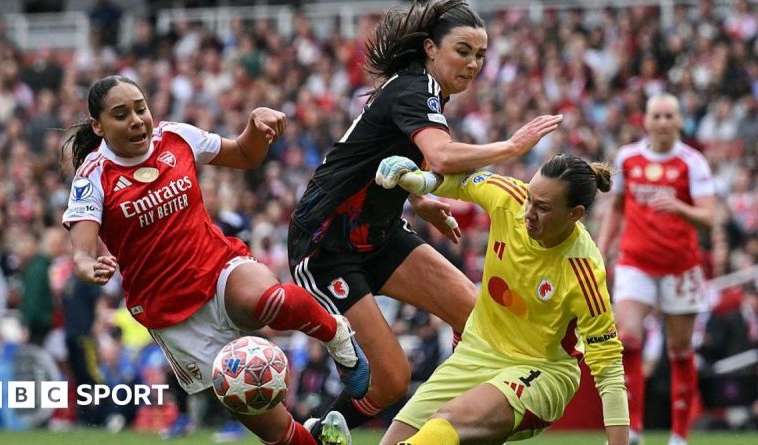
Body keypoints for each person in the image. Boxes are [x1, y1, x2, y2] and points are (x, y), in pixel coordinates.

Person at [287, 0, 562, 435]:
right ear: (430, 48)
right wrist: (512, 147)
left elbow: (387, 159)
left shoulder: (425, 91)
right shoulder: (416, 89)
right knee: (392, 378)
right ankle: (314, 433)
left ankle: (440, 425)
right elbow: (441, 155)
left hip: (378, 234)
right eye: (463, 50)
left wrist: (419, 201)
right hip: (326, 243)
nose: (473, 63)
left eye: (480, 55)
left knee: (477, 318)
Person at [61, 75, 368, 445]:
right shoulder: (92, 176)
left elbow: (243, 154)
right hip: (173, 315)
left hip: (218, 268)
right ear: (98, 126)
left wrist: (255, 126)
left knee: (269, 300)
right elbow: (81, 249)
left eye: (141, 108)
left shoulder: (175, 137)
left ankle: (339, 337)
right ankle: (315, 438)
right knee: (280, 433)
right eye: (121, 114)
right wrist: (86, 265)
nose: (137, 120)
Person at [374, 153, 629, 445]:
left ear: (575, 214)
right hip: (477, 353)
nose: (528, 212)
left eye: (542, 207)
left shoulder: (583, 271)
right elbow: (461, 181)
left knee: (442, 428)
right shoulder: (510, 198)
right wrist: (418, 180)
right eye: (530, 198)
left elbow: (609, 370)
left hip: (541, 372)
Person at [597, 93, 716, 445]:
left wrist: (679, 207)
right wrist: (602, 250)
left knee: (679, 350)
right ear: (645, 120)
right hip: (636, 261)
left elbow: (709, 216)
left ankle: (679, 435)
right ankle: (632, 429)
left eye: (669, 116)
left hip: (680, 266)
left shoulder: (692, 163)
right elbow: (617, 207)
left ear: (679, 121)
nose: (663, 122)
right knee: (628, 338)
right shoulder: (628, 158)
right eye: (657, 116)